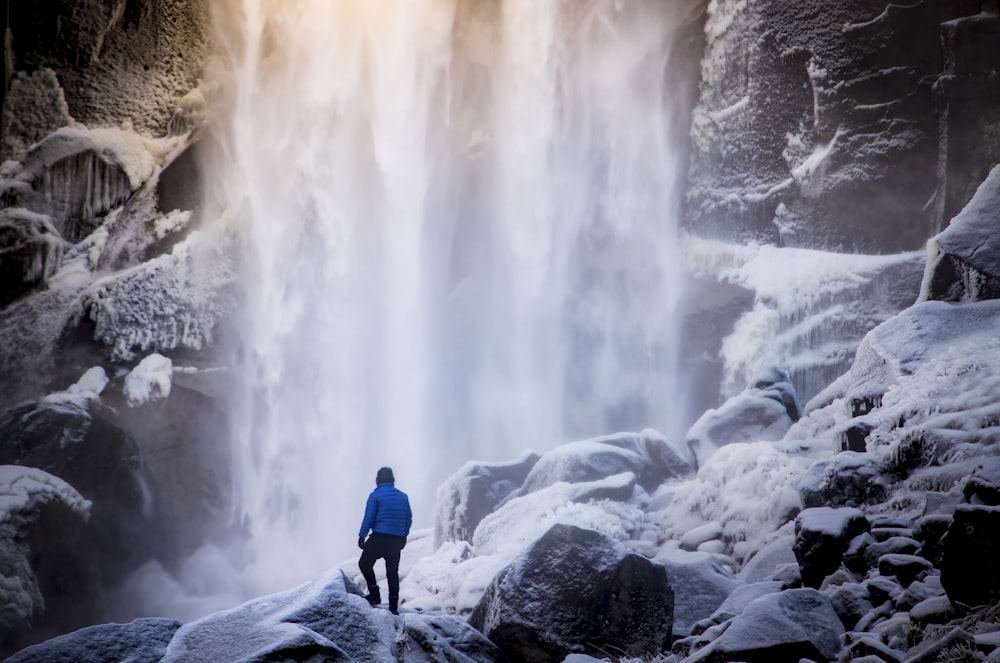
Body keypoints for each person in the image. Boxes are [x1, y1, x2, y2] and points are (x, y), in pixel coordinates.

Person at [357, 466, 412, 614]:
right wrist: (403, 536)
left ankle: (374, 595)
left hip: (379, 537)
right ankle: (393, 607)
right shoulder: (403, 497)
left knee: (364, 563)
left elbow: (369, 517)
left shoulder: (375, 496)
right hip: (396, 540)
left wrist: (362, 535)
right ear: (393, 480)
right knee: (392, 572)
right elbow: (408, 519)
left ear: (377, 480)